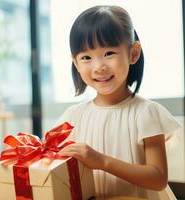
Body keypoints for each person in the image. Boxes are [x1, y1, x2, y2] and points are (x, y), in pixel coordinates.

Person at [57, 5, 181, 199]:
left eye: (109, 53)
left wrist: (102, 161)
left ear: (133, 53)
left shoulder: (146, 113)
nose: (99, 67)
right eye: (86, 57)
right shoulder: (72, 117)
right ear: (76, 63)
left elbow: (158, 179)